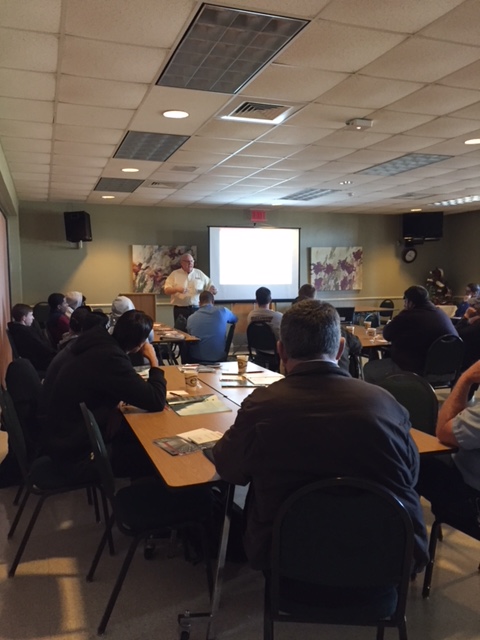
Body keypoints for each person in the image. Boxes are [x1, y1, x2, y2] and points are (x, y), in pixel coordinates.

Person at [212, 300, 428, 572]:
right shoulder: (385, 402)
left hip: (287, 555)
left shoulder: (262, 407)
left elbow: (229, 469)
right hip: (387, 554)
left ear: (281, 350)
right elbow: (411, 474)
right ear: (340, 348)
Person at [41, 310, 167, 483]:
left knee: (135, 432)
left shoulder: (98, 343)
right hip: (76, 451)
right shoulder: (111, 357)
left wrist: (114, 406)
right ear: (139, 345)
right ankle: (140, 495)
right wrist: (154, 361)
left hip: (63, 434)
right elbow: (156, 400)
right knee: (154, 453)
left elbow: (98, 384)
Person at [416, 360, 480, 533]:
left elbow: (443, 431)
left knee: (408, 461)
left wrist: (466, 378)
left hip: (471, 500)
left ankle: (407, 540)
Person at [363, 285, 458, 384]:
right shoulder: (441, 314)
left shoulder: (408, 315)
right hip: (448, 371)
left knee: (369, 369)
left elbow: (387, 334)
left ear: (410, 302)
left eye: (405, 301)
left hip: (417, 371)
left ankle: (383, 394)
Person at [163, 253, 217, 323]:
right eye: (187, 261)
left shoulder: (199, 273)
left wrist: (213, 289)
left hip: (196, 309)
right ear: (182, 263)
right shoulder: (175, 274)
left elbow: (210, 285)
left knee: (196, 328)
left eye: (192, 261)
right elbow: (166, 290)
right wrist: (176, 289)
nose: (190, 263)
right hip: (180, 309)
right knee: (180, 329)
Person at [185, 291, 237, 363]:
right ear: (213, 302)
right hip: (219, 357)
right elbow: (235, 319)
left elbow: (189, 335)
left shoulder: (191, 318)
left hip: (197, 358)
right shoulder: (223, 311)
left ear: (199, 303)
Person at [7, 303, 57, 374]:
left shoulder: (16, 329)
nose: (33, 318)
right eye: (31, 315)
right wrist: (57, 353)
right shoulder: (26, 332)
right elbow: (42, 348)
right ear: (24, 318)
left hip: (34, 361)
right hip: (40, 362)